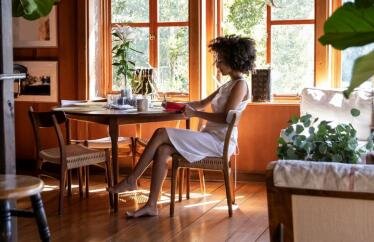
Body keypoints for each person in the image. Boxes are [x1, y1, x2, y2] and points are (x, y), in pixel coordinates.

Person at [108, 35, 256, 218]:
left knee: (161, 133)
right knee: (163, 150)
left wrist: (195, 114)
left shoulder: (240, 85)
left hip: (220, 142)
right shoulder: (228, 84)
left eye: (221, 60)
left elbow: (226, 118)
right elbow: (200, 103)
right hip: (209, 137)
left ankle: (132, 179)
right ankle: (151, 205)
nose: (217, 65)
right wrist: (174, 104)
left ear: (234, 60)